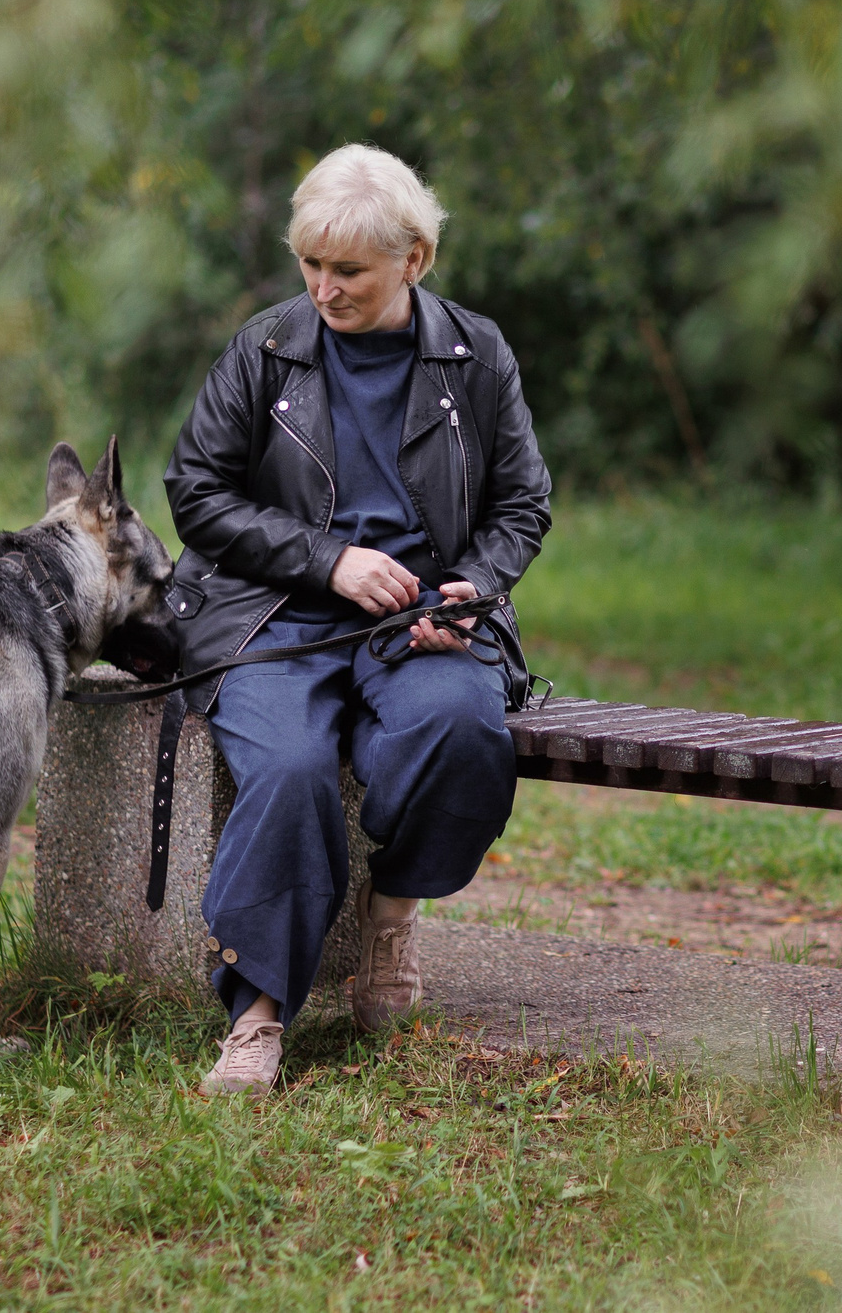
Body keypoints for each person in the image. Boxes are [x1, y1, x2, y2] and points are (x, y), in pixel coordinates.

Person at [160, 144, 551, 1096]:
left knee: (460, 729)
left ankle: (393, 909)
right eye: (311, 265)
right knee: (290, 766)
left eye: (349, 271)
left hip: (421, 619)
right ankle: (256, 1015)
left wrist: (470, 590)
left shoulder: (477, 355)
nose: (324, 289)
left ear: (413, 259)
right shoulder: (265, 348)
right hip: (273, 615)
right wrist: (326, 557)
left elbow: (521, 505)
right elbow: (196, 492)